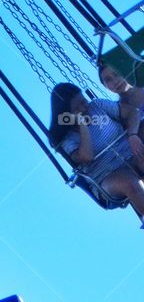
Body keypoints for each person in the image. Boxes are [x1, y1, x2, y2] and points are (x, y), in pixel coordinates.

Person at [49, 82, 144, 216]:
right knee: (130, 184)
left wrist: (133, 135)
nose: (85, 107)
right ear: (67, 115)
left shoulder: (97, 106)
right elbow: (87, 157)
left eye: (84, 101)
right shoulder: (66, 139)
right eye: (78, 108)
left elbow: (133, 113)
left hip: (130, 153)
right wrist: (82, 125)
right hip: (105, 176)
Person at [99, 63, 144, 168]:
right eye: (108, 80)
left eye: (117, 74)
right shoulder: (118, 113)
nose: (115, 81)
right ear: (105, 86)